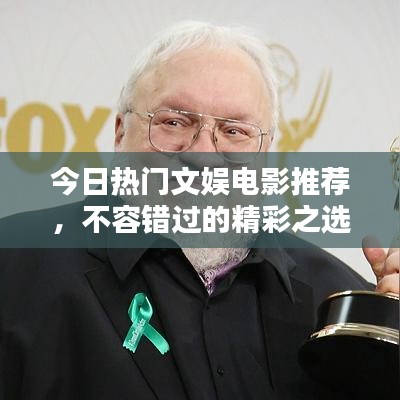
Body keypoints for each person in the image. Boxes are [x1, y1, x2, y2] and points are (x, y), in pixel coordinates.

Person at [0, 21, 398, 400]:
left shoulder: (335, 307)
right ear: (120, 132)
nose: (204, 155)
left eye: (234, 131)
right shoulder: (14, 264)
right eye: (174, 122)